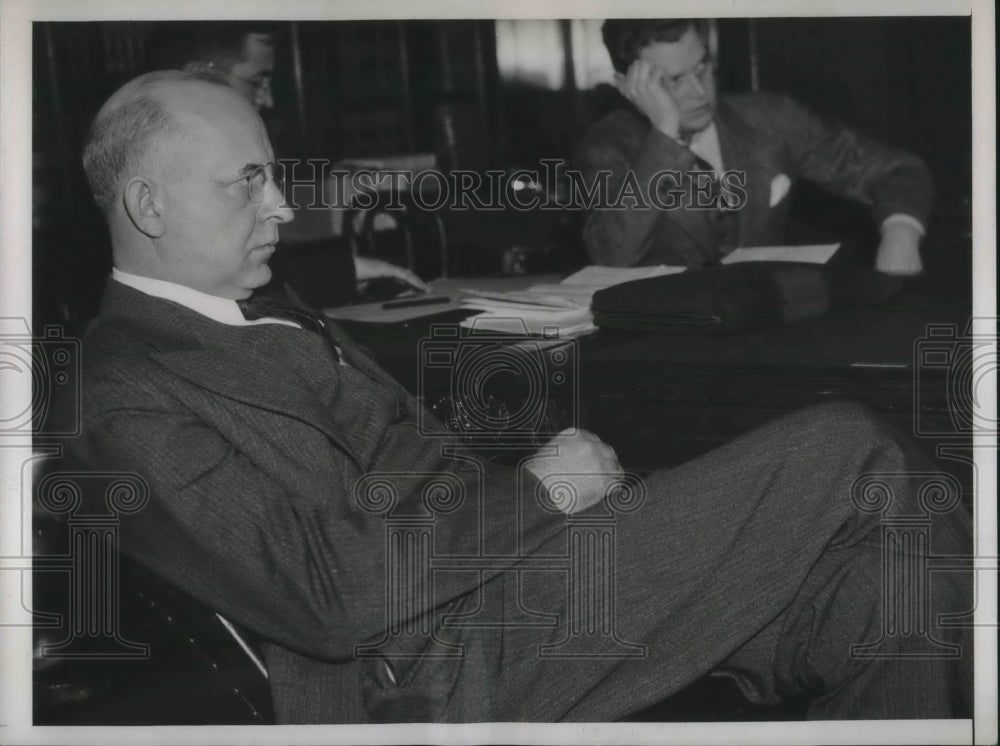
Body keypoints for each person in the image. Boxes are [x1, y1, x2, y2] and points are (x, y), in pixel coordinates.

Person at [73, 70, 971, 723]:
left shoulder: (256, 307)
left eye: (274, 175)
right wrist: (541, 494)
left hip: (505, 583)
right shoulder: (124, 394)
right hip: (435, 664)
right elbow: (324, 593)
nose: (280, 206)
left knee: (880, 585)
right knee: (847, 450)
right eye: (250, 181)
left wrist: (544, 498)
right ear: (149, 204)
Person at [575, 19, 933, 274]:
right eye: (673, 81)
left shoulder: (772, 118)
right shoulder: (608, 147)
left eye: (701, 68)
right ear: (628, 85)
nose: (700, 92)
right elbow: (612, 258)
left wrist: (900, 232)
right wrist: (665, 134)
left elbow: (895, 169)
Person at [150, 21, 428, 294]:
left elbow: (256, 271)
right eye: (257, 80)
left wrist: (350, 270)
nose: (268, 100)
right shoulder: (171, 168)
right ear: (200, 75)